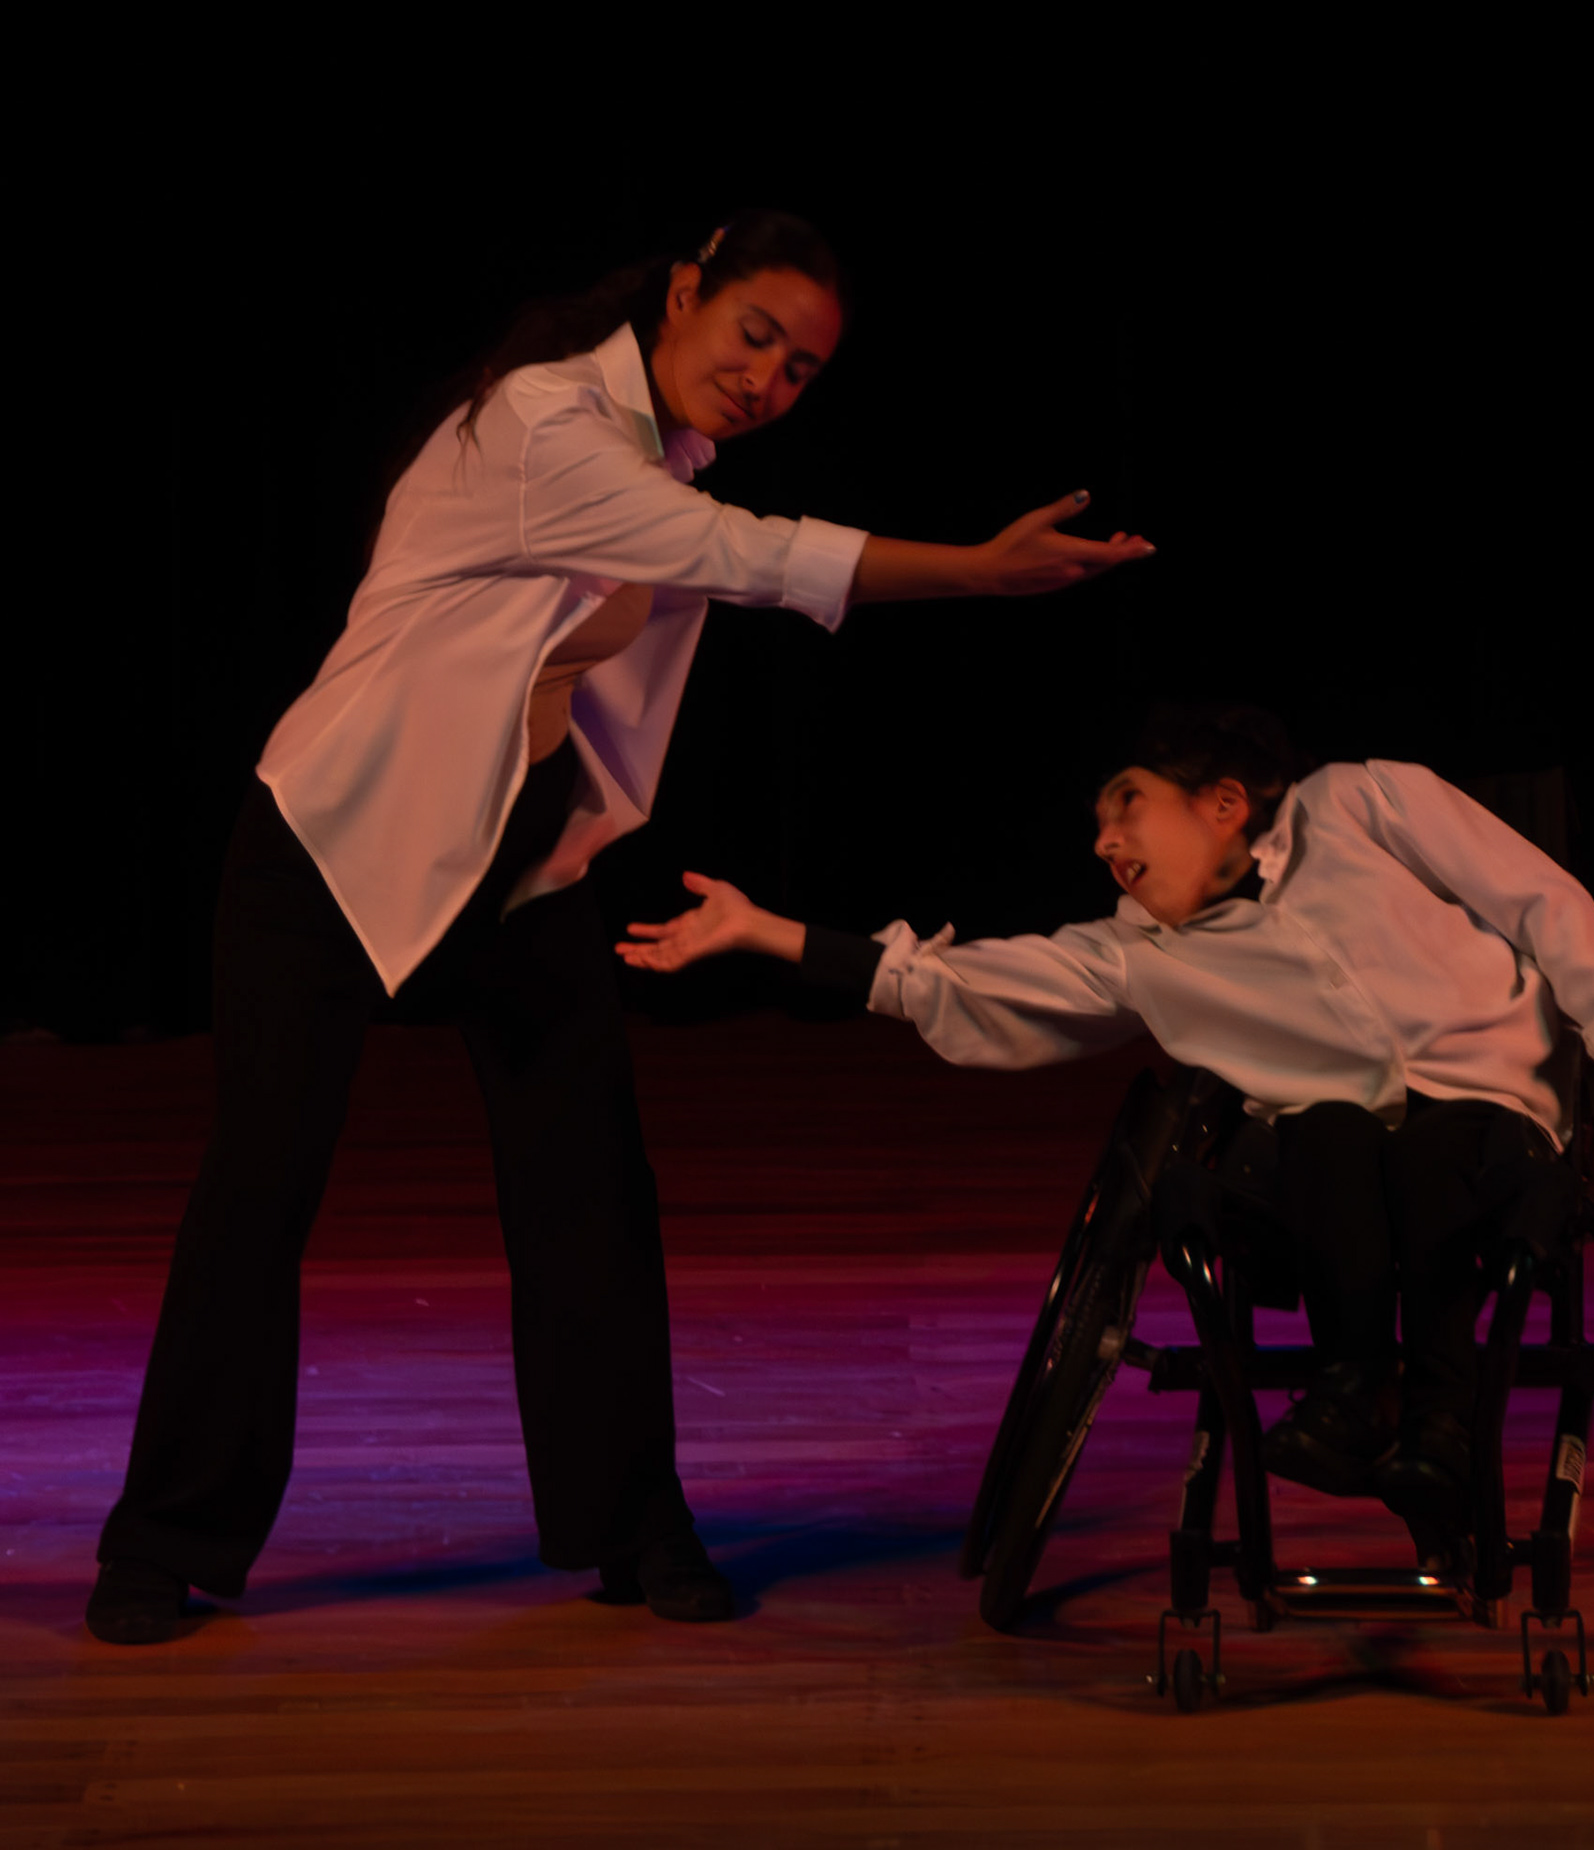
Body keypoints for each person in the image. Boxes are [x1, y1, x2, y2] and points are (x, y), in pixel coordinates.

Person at [87, 211, 1155, 1645]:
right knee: (259, 1188)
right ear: (686, 289)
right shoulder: (547, 425)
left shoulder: (663, 456)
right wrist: (973, 568)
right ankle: (162, 1543)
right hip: (335, 841)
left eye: (801, 371)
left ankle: (633, 1525)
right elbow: (741, 557)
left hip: (514, 861)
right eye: (754, 336)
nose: (766, 380)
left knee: (589, 1190)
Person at [615, 702, 1594, 1562]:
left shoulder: (1360, 802)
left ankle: (1443, 1421)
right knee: (1325, 1128)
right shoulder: (1142, 952)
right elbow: (949, 983)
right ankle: (1356, 1390)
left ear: (1223, 803)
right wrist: (761, 930)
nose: (1104, 840)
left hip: (1495, 1117)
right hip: (1330, 1178)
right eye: (1098, 826)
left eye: (1126, 806)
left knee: (1433, 1142)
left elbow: (1541, 898)